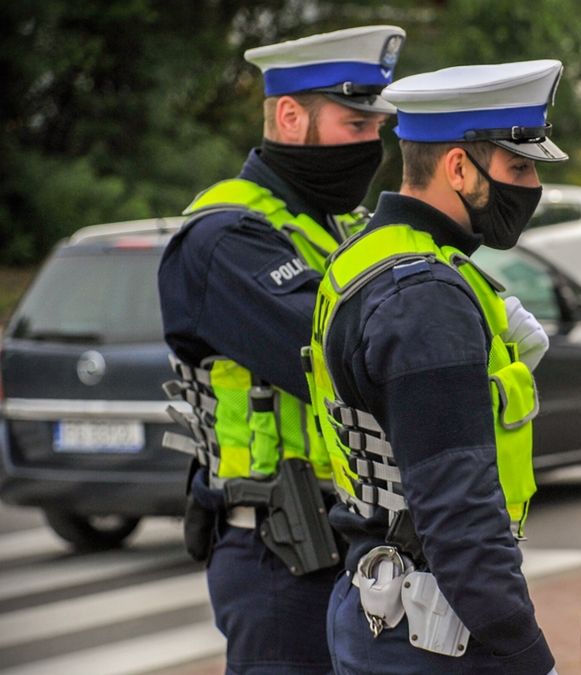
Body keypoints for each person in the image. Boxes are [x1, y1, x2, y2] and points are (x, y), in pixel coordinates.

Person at [305, 60, 567, 674]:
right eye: (519, 168)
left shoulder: (370, 256)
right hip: (431, 634)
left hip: (383, 604)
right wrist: (527, 656)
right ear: (458, 168)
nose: (531, 187)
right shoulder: (424, 298)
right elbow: (459, 515)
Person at [157, 25, 405, 675]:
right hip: (282, 552)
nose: (372, 146)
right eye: (356, 125)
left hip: (350, 542)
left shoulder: (338, 227)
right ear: (291, 117)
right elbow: (340, 359)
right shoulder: (227, 237)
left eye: (378, 129)